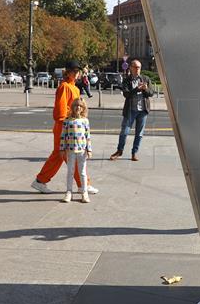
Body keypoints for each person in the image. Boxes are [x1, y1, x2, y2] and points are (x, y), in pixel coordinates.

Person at [31, 60, 98, 195]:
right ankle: (83, 185)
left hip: (70, 126)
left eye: (78, 71)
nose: (77, 74)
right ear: (68, 72)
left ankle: (41, 181)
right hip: (65, 126)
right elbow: (60, 112)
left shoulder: (74, 88)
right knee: (71, 155)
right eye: (74, 71)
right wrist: (68, 123)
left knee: (61, 155)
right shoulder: (65, 87)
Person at [109, 59, 153, 162]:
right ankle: (119, 151)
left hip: (143, 111)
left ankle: (134, 153)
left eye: (139, 68)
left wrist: (145, 89)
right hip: (130, 110)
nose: (137, 70)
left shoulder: (145, 79)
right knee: (124, 132)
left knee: (139, 133)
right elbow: (126, 94)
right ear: (131, 68)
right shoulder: (127, 80)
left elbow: (151, 93)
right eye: (135, 67)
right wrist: (137, 89)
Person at [60, 97, 92, 203]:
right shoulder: (67, 121)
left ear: (83, 108)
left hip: (82, 151)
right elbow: (63, 136)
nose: (78, 107)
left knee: (82, 172)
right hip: (70, 150)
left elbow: (88, 136)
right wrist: (62, 149)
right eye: (76, 105)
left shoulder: (85, 121)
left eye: (80, 106)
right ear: (72, 107)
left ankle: (84, 192)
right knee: (70, 172)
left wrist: (89, 149)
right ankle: (69, 192)